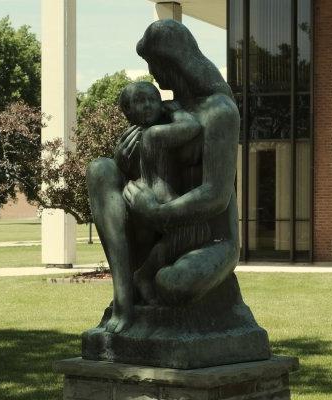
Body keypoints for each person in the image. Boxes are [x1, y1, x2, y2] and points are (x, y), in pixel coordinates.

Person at [87, 20, 240, 333]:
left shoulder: (220, 111)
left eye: (153, 65)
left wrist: (158, 212)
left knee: (172, 284)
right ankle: (123, 299)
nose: (153, 75)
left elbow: (216, 195)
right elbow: (142, 170)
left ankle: (151, 282)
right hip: (157, 228)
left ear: (172, 63)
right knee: (100, 170)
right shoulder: (164, 109)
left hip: (208, 236)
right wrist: (123, 155)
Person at [118, 81, 211, 305]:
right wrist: (177, 111)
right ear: (128, 110)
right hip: (156, 200)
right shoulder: (154, 134)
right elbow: (192, 128)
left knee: (194, 232)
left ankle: (144, 275)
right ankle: (144, 275)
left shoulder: (138, 135)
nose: (149, 105)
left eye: (154, 99)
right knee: (199, 230)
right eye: (141, 101)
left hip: (156, 197)